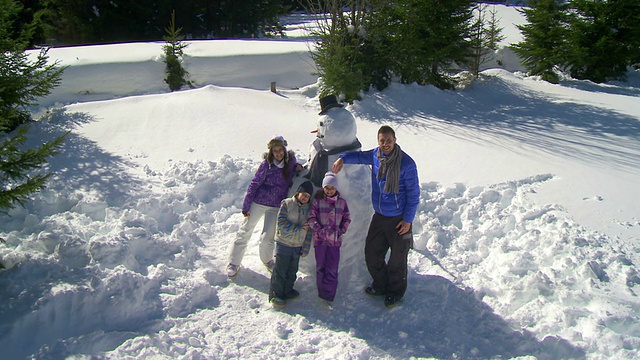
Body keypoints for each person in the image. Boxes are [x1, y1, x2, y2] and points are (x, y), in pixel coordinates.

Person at [332, 125, 419, 308]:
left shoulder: (406, 164)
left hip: (399, 220)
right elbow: (358, 156)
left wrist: (408, 220)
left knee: (397, 260)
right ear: (378, 141)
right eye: (382, 140)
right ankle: (380, 284)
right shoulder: (375, 155)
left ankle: (394, 293)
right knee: (372, 254)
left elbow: (413, 194)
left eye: (388, 140)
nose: (385, 144)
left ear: (395, 140)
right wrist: (342, 158)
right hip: (379, 216)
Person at [227, 135, 302, 278]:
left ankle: (267, 260)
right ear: (271, 152)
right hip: (259, 202)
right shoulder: (266, 165)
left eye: (280, 150)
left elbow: (296, 171)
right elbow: (255, 183)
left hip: (275, 206)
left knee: (268, 237)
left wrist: (298, 168)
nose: (278, 153)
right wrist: (246, 205)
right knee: (246, 230)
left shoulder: (290, 163)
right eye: (275, 151)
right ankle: (234, 263)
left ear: (284, 150)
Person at [307, 171, 351, 309]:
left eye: (332, 187)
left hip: (334, 242)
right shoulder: (318, 201)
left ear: (336, 188)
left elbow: (347, 218)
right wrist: (319, 230)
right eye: (327, 188)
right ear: (323, 188)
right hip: (320, 241)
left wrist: (341, 231)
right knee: (320, 267)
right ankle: (321, 292)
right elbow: (311, 218)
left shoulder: (342, 203)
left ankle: (329, 295)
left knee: (332, 268)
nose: (329, 190)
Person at [269, 180, 314, 308]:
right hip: (284, 243)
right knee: (280, 270)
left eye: (308, 196)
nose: (305, 198)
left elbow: (309, 230)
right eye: (303, 194)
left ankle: (287, 291)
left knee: (292, 270)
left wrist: (305, 247)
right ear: (297, 193)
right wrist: (298, 228)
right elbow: (281, 223)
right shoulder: (287, 203)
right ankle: (276, 294)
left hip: (297, 245)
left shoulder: (308, 210)